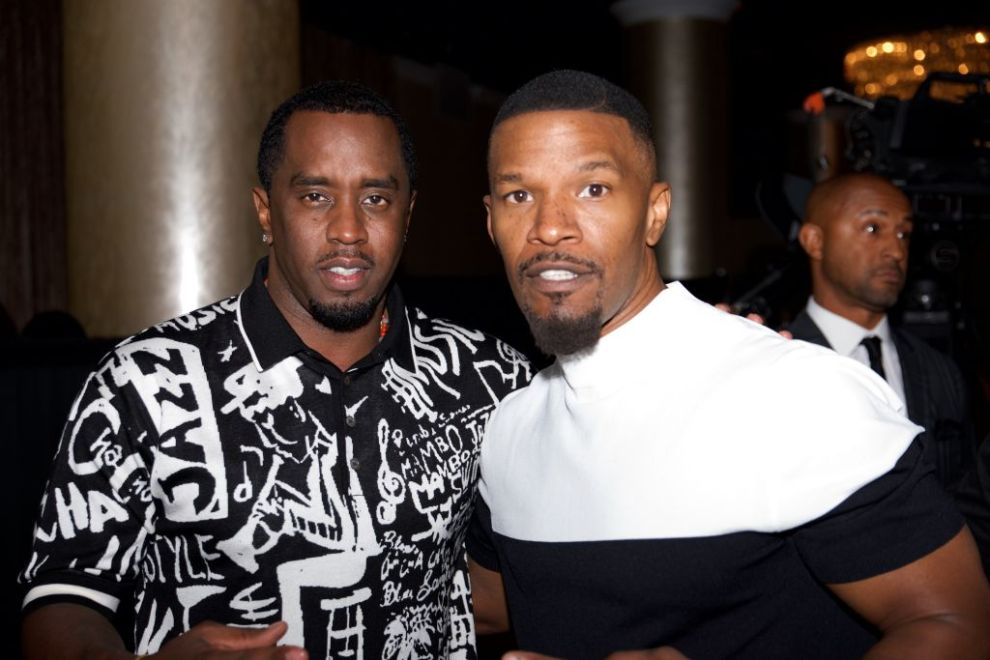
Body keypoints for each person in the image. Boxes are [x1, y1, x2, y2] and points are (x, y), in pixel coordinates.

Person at [466, 70, 990, 659]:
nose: (550, 226)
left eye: (593, 189)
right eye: (519, 195)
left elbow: (956, 625)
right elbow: (480, 605)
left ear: (655, 214)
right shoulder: (508, 428)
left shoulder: (794, 394)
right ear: (491, 223)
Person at [19, 81, 531, 659]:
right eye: (315, 196)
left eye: (376, 199)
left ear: (408, 214)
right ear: (266, 209)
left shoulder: (489, 377)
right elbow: (63, 602)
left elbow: (505, 588)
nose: (348, 230)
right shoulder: (143, 382)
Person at [789, 172, 975, 492]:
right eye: (873, 228)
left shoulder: (939, 369)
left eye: (904, 234)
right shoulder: (779, 364)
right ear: (814, 241)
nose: (896, 251)